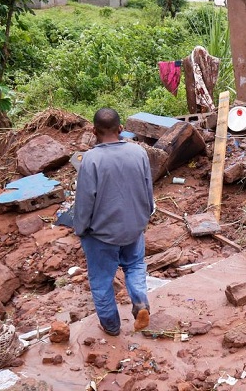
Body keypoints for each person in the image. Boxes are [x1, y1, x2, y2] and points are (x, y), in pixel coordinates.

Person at [73, 108, 154, 336]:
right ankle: (140, 304)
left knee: (101, 280)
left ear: (94, 131)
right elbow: (148, 190)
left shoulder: (90, 160)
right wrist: (143, 218)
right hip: (134, 227)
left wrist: (81, 229)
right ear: (121, 129)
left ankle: (111, 326)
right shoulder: (138, 153)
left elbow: (85, 201)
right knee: (135, 266)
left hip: (102, 234)